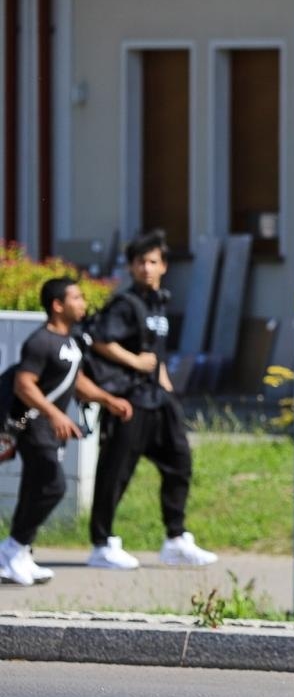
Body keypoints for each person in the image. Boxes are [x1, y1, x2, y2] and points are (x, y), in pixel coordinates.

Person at [84, 230, 217, 569]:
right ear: (131, 267)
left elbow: (156, 352)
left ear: (164, 266)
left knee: (180, 462)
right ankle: (101, 544)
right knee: (115, 471)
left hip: (158, 398)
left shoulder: (158, 302)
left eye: (153, 262)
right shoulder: (124, 304)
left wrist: (166, 386)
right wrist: (134, 361)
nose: (146, 268)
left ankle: (176, 539)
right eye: (140, 262)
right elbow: (99, 339)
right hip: (130, 400)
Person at [0, 278, 133, 585]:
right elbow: (24, 384)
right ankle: (12, 548)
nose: (83, 302)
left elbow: (76, 381)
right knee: (53, 486)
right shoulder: (40, 342)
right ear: (58, 305)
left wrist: (108, 400)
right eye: (76, 298)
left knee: (34, 488)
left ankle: (17, 555)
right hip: (32, 424)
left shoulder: (71, 342)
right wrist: (55, 414)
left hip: (47, 426)